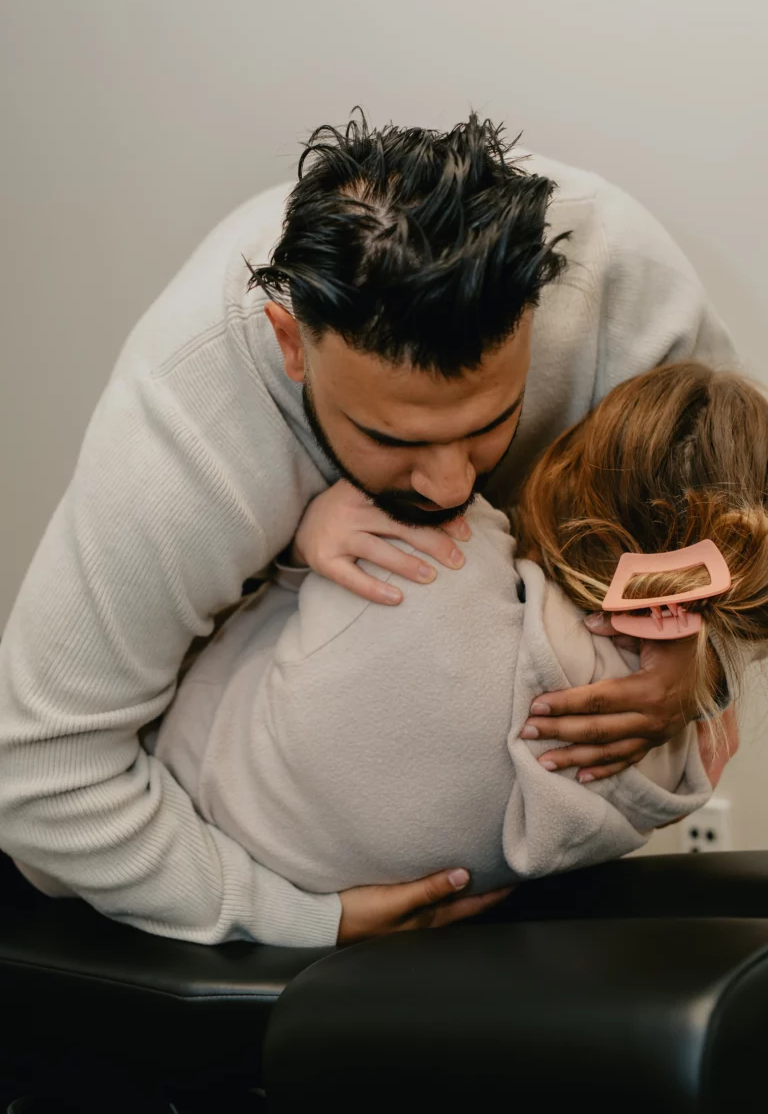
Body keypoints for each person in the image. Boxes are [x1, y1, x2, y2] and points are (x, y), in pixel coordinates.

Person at [0, 112, 739, 946]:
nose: (452, 484)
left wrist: (699, 659)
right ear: (291, 345)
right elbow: (39, 778)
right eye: (392, 439)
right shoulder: (185, 427)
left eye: (491, 424)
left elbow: (731, 524)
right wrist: (297, 917)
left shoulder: (626, 296)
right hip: (241, 861)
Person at [153, 361, 754, 947]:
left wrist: (306, 534)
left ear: (568, 474)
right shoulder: (680, 762)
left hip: (179, 817)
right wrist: (696, 659)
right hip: (328, 923)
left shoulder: (441, 550)